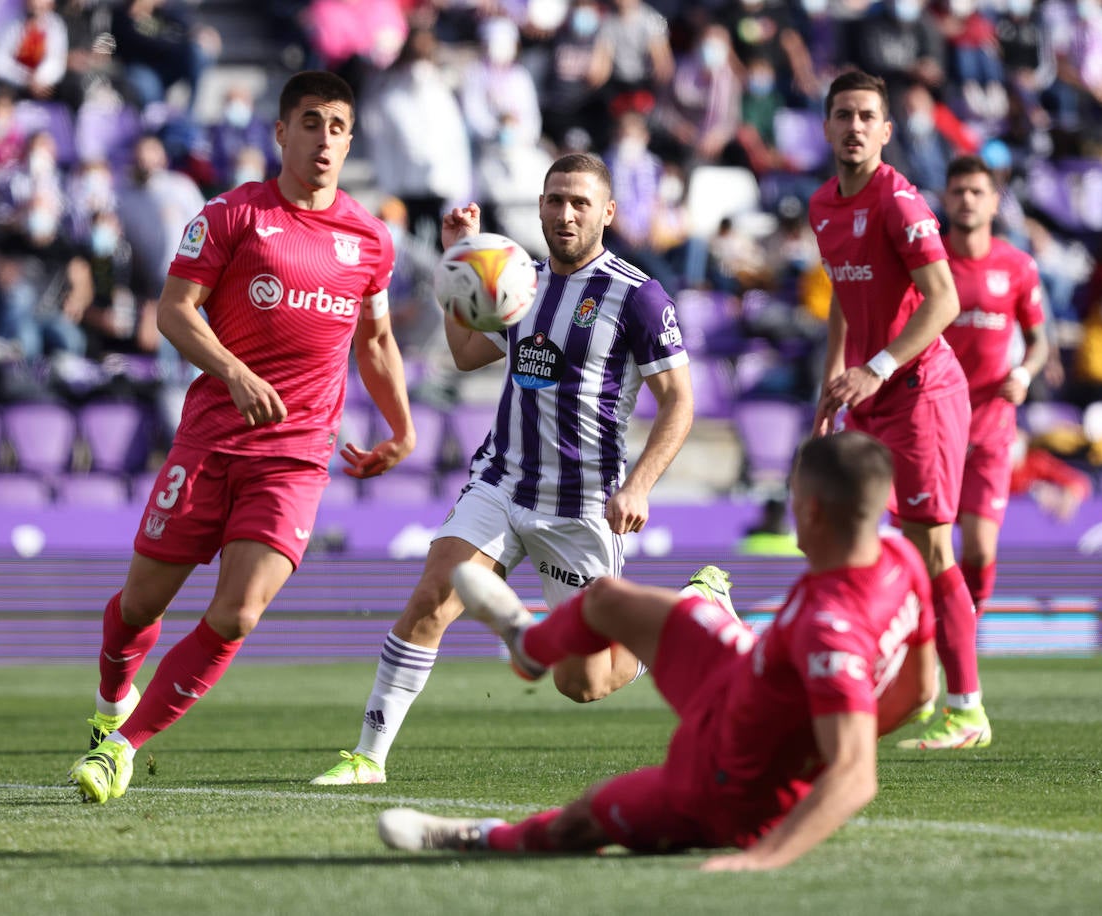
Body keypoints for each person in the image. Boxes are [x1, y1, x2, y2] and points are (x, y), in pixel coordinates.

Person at [65, 70, 417, 804]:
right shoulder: (230, 216)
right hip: (210, 444)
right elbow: (173, 311)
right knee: (140, 606)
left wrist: (402, 427)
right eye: (312, 122)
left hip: (294, 456)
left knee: (238, 611)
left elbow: (376, 342)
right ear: (281, 132)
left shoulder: (369, 239)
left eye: (339, 127)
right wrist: (232, 373)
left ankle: (123, 750)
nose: (325, 139)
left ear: (352, 140)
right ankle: (110, 704)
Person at [376, 432, 937, 869]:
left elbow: (856, 776)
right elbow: (920, 693)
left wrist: (767, 856)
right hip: (740, 673)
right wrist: (834, 727)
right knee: (607, 600)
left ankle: (482, 836)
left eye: (792, 498)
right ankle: (530, 647)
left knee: (587, 817)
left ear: (811, 510)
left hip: (725, 782)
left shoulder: (830, 631)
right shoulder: (899, 557)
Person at [311, 152, 697, 786]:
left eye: (579, 202)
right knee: (434, 593)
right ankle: (368, 758)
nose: (565, 213)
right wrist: (458, 264)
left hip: (581, 503)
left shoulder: (638, 296)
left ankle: (686, 611)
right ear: (539, 207)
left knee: (583, 682)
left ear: (608, 212)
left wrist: (640, 485)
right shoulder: (520, 281)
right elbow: (464, 354)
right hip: (501, 479)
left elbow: (680, 403)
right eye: (554, 200)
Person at [807, 69, 987, 750]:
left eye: (866, 117)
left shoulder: (900, 201)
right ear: (826, 127)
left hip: (920, 394)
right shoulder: (823, 205)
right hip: (870, 397)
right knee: (868, 545)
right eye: (843, 115)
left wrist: (876, 369)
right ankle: (914, 691)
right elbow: (842, 305)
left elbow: (944, 300)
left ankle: (966, 709)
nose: (854, 127)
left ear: (885, 130)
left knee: (933, 548)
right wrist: (831, 388)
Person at [941, 154, 1050, 608]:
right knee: (934, 552)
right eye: (959, 191)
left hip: (992, 426)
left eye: (977, 192)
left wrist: (1023, 373)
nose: (967, 200)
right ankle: (931, 644)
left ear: (993, 202)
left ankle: (967, 633)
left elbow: (1040, 342)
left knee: (981, 550)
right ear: (946, 200)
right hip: (936, 422)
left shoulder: (1018, 266)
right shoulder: (928, 263)